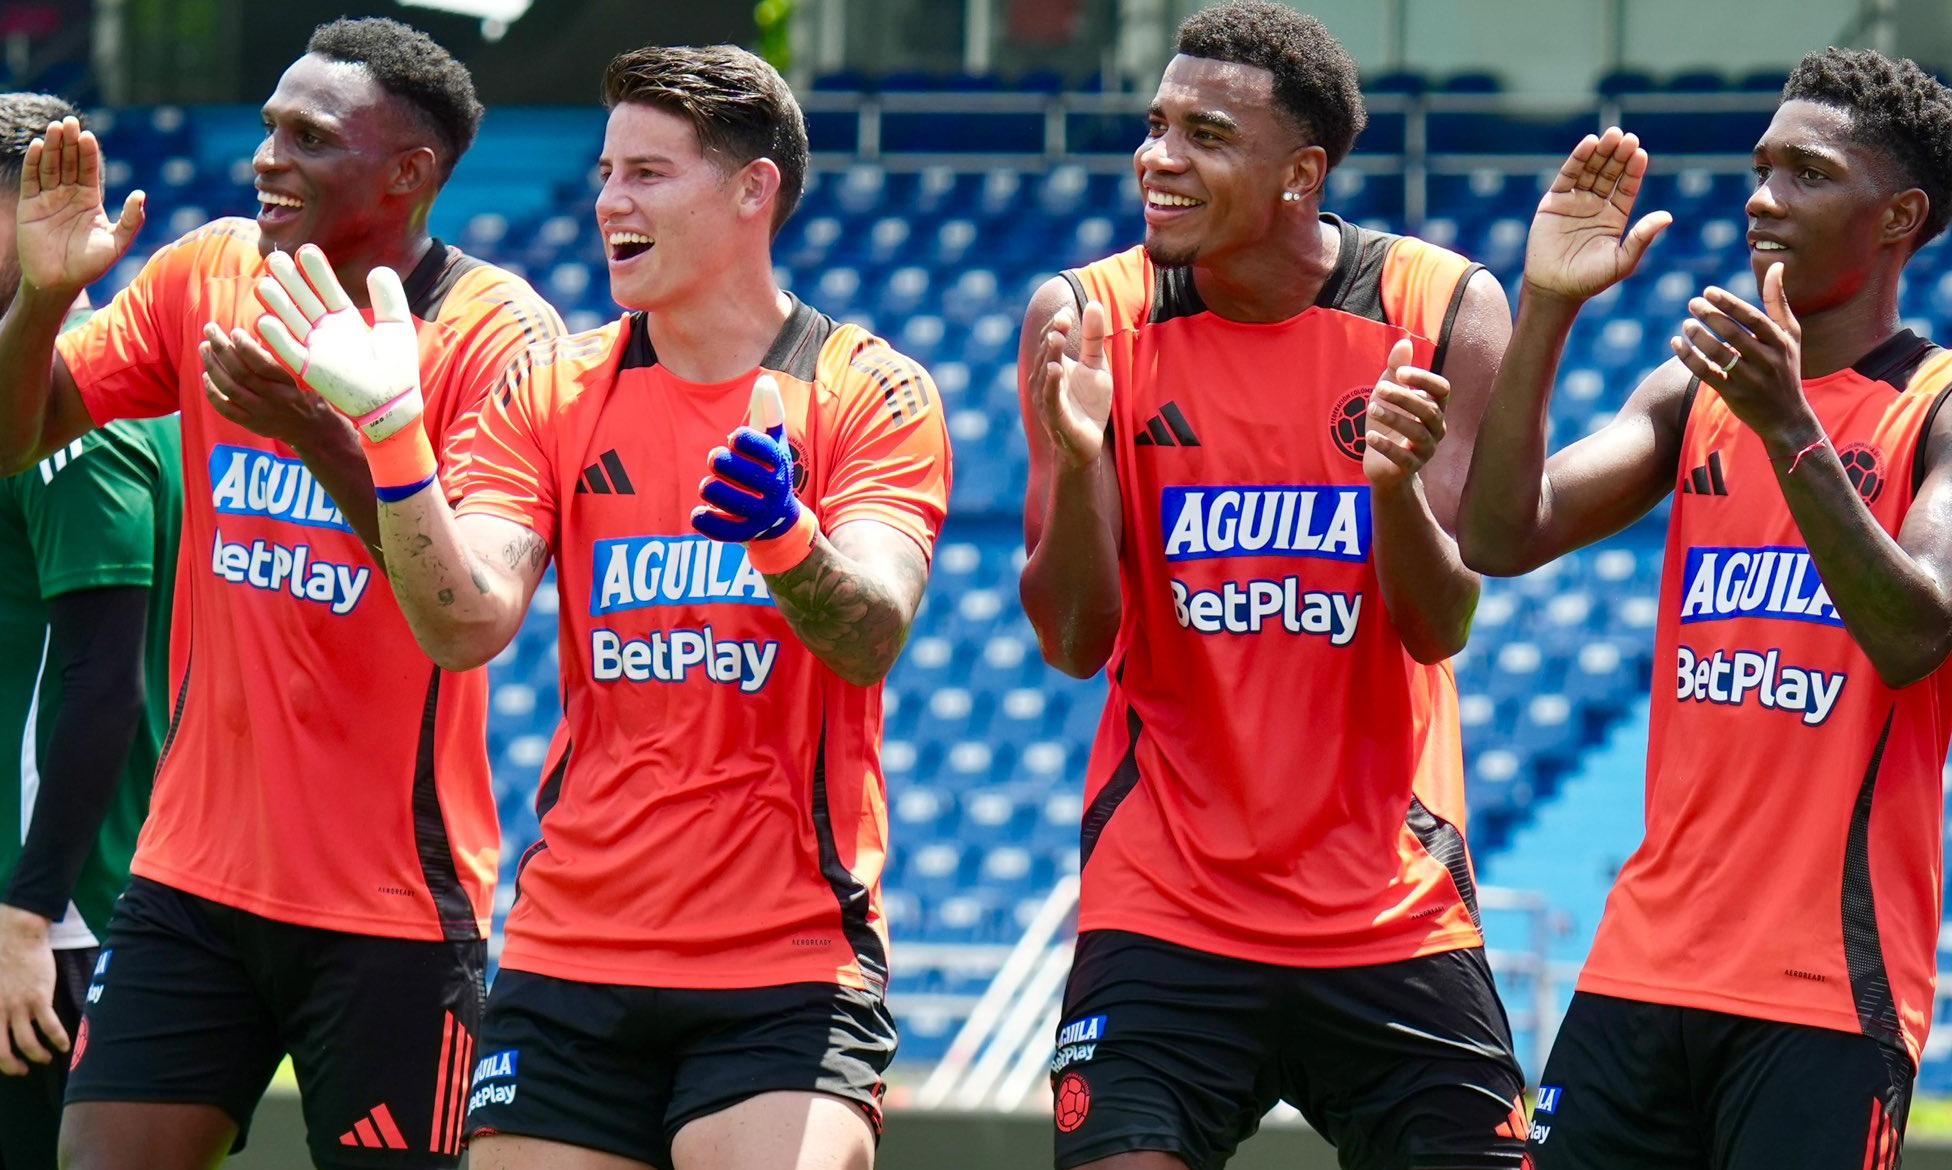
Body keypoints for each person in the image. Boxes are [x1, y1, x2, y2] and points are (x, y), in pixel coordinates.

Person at [255, 43, 950, 1170]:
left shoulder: (869, 389)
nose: (607, 203)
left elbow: (869, 634)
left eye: (646, 174)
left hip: (785, 960)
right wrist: (391, 444)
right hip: (571, 947)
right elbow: (465, 620)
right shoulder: (553, 388)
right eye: (603, 173)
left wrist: (785, 537)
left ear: (751, 190)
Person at [0, 19, 561, 1169]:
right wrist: (39, 302)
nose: (265, 156)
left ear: (408, 174)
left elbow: (471, 615)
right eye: (270, 125)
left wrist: (327, 438)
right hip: (188, 878)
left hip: (390, 908)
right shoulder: (207, 271)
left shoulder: (494, 334)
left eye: (309, 138)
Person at [1017, 4, 1529, 1169]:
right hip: (1166, 898)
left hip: (1386, 902)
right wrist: (1085, 458)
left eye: (1203, 133)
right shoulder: (1086, 316)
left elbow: (1437, 618)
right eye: (1154, 126)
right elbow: (1069, 637)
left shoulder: (1436, 309)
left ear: (1302, 173)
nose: (1157, 158)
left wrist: (1389, 487)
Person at [1458, 48, 1952, 1170]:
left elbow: (1913, 630)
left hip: (1824, 993)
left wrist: (1790, 427)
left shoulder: (1932, 411)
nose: (1762, 197)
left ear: (1898, 216)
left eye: (1807, 173)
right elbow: (1500, 532)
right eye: (1760, 166)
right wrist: (1543, 310)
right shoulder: (1693, 395)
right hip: (1641, 966)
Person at [0, 91, 179, 1170]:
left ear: (41, 225)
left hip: (42, 941)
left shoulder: (85, 416)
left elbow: (108, 682)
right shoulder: (15, 405)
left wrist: (31, 923)